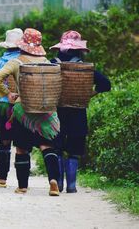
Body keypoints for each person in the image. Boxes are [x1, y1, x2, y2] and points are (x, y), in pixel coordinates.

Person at [0, 28, 61, 196]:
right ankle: (53, 181)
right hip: (44, 111)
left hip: (23, 112)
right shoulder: (46, 62)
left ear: (22, 45)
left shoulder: (17, 62)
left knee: (22, 149)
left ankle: (22, 186)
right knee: (46, 146)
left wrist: (8, 94)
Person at [49, 30, 111, 193]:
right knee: (75, 150)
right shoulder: (85, 68)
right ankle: (71, 185)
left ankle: (59, 184)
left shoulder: (52, 64)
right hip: (78, 113)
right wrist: (90, 93)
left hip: (57, 113)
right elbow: (106, 84)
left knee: (58, 148)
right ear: (79, 49)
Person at [0, 28, 23, 188]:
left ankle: (2, 179)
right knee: (22, 143)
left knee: (4, 140)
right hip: (22, 105)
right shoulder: (25, 61)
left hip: (3, 105)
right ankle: (23, 181)